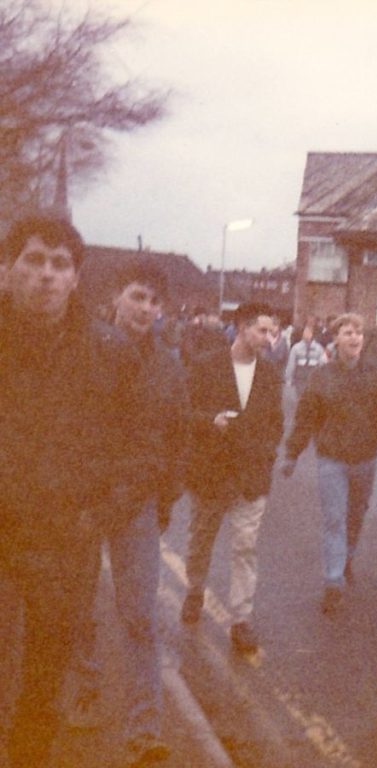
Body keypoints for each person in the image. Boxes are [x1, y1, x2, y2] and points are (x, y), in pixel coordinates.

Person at [0, 214, 157, 767]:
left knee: (43, 680)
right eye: (34, 260)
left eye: (59, 263)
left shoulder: (110, 353)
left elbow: (141, 450)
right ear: (7, 267)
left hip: (64, 541)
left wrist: (101, 515)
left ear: (75, 277)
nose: (46, 274)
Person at [67, 261, 190, 764]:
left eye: (154, 302)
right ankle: (85, 688)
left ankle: (144, 726)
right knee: (75, 606)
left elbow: (179, 438)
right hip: (81, 501)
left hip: (136, 503)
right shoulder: (83, 348)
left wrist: (164, 499)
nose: (145, 309)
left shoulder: (169, 365)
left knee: (140, 615)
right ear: (117, 296)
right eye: (138, 296)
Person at [281, 313, 377, 613]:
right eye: (348, 333)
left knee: (356, 514)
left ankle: (347, 556)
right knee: (334, 519)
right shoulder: (322, 376)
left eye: (359, 333)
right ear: (335, 338)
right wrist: (292, 453)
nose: (355, 338)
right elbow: (305, 418)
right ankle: (333, 581)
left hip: (365, 458)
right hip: (331, 459)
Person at [180, 301, 284, 655]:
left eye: (271, 332)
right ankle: (195, 590)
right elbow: (184, 412)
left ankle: (241, 619)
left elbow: (275, 424)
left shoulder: (271, 374)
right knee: (200, 541)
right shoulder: (206, 365)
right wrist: (211, 420)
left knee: (245, 546)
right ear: (242, 327)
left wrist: (266, 461)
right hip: (210, 475)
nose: (269, 338)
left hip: (249, 480)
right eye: (262, 330)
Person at [285, 323, 326, 395]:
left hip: (313, 378)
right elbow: (291, 364)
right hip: (300, 379)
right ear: (302, 334)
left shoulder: (318, 348)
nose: (307, 334)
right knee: (300, 398)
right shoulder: (296, 348)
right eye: (305, 332)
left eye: (309, 332)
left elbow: (322, 364)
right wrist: (289, 379)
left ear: (312, 334)